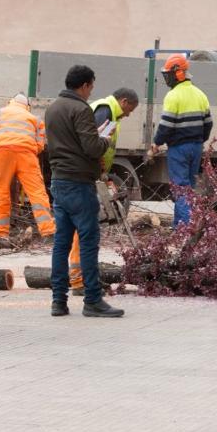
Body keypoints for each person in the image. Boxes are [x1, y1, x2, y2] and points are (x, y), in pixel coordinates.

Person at [45, 65, 123, 318]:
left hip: (59, 182)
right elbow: (91, 147)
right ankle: (92, 300)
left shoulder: (53, 108)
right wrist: (105, 140)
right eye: (91, 87)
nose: (91, 92)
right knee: (89, 242)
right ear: (85, 85)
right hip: (79, 183)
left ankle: (58, 301)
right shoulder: (81, 109)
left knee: (61, 244)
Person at [64, 87, 139, 292]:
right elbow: (92, 144)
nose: (129, 114)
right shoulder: (105, 111)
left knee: (87, 228)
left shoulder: (109, 112)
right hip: (86, 175)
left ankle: (84, 276)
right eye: (130, 109)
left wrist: (104, 175)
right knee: (86, 227)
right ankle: (80, 279)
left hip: (90, 173)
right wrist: (99, 174)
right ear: (124, 101)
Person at [149, 54, 212, 227]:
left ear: (178, 73)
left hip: (178, 148)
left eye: (168, 73)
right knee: (187, 189)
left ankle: (185, 229)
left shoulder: (173, 96)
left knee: (180, 189)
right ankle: (178, 228)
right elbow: (208, 123)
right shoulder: (201, 95)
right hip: (197, 147)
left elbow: (166, 125)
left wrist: (156, 143)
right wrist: (199, 140)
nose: (167, 77)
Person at [0, 93, 53, 239]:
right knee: (37, 192)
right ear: (27, 106)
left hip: (1, 154)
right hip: (26, 155)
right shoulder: (35, 119)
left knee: (1, 193)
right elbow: (40, 146)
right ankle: (48, 231)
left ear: (10, 102)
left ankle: (1, 234)